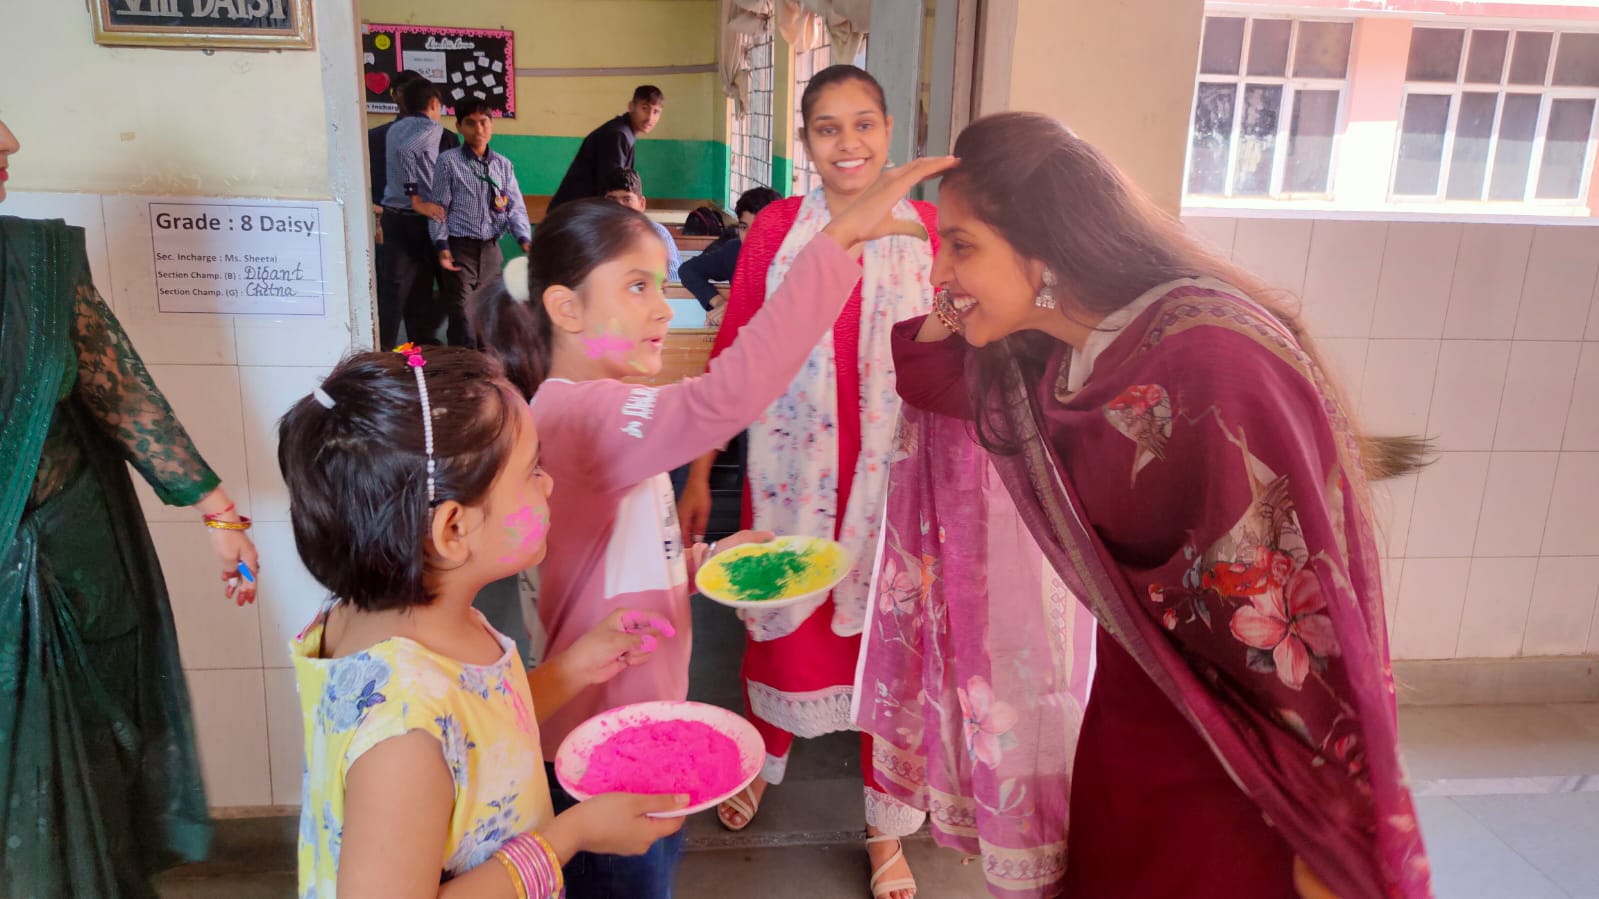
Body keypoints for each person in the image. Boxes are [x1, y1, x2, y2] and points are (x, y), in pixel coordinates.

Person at [876, 112, 1433, 899]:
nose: (939, 270)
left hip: (1235, 751)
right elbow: (925, 374)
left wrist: (1328, 822)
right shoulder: (1053, 359)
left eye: (960, 245)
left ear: (1045, 248)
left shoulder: (1209, 358)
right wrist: (945, 288)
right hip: (1137, 698)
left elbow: (1301, 622)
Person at [468, 157, 950, 898]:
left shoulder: (595, 409)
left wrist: (704, 561)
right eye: (637, 287)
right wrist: (837, 243)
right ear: (565, 308)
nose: (664, 309)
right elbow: (724, 398)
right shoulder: (584, 414)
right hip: (597, 749)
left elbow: (607, 559)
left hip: (635, 724)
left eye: (661, 285)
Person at [278, 344, 687, 898]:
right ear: (452, 530)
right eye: (533, 471)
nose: (548, 484)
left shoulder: (401, 615)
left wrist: (576, 667)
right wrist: (572, 835)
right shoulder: (401, 739)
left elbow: (479, 731)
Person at [678, 64, 939, 899]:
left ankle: (883, 826)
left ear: (888, 131)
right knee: (782, 626)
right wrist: (698, 471)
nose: (847, 143)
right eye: (828, 128)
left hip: (897, 486)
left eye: (863, 124)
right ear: (806, 142)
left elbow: (961, 348)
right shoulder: (778, 229)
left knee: (891, 656)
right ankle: (764, 759)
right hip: (792, 483)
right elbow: (735, 352)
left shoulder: (931, 229)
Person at [0, 115, 261, 899]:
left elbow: (118, 388)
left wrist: (216, 509)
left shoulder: (35, 262)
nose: (10, 143)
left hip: (67, 570)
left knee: (85, 788)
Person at [429, 98, 533, 347]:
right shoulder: (448, 162)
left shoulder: (503, 165)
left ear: (491, 125)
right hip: (459, 249)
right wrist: (442, 247)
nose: (479, 129)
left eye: (484, 122)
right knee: (462, 314)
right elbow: (438, 209)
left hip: (490, 250)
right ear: (459, 127)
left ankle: (487, 364)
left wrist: (525, 241)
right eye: (470, 123)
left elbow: (515, 208)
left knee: (488, 312)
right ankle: (462, 362)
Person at [370, 70, 461, 349]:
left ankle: (423, 350)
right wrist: (380, 216)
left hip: (435, 224)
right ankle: (384, 355)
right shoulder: (376, 137)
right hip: (397, 223)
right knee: (393, 294)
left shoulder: (446, 137)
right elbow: (372, 184)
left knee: (429, 293)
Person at [548, 86, 664, 212]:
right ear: (631, 107)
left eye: (656, 112)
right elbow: (614, 188)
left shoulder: (623, 132)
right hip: (573, 216)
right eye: (644, 108)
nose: (650, 117)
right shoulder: (618, 135)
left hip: (578, 213)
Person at [679, 187, 782, 325]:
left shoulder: (792, 259)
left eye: (759, 227)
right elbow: (688, 270)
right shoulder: (734, 252)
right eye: (744, 227)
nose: (749, 237)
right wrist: (719, 303)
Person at [598, 167, 681, 282]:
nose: (619, 206)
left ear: (641, 204)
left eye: (626, 199)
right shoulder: (594, 234)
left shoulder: (657, 234)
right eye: (612, 200)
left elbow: (672, 279)